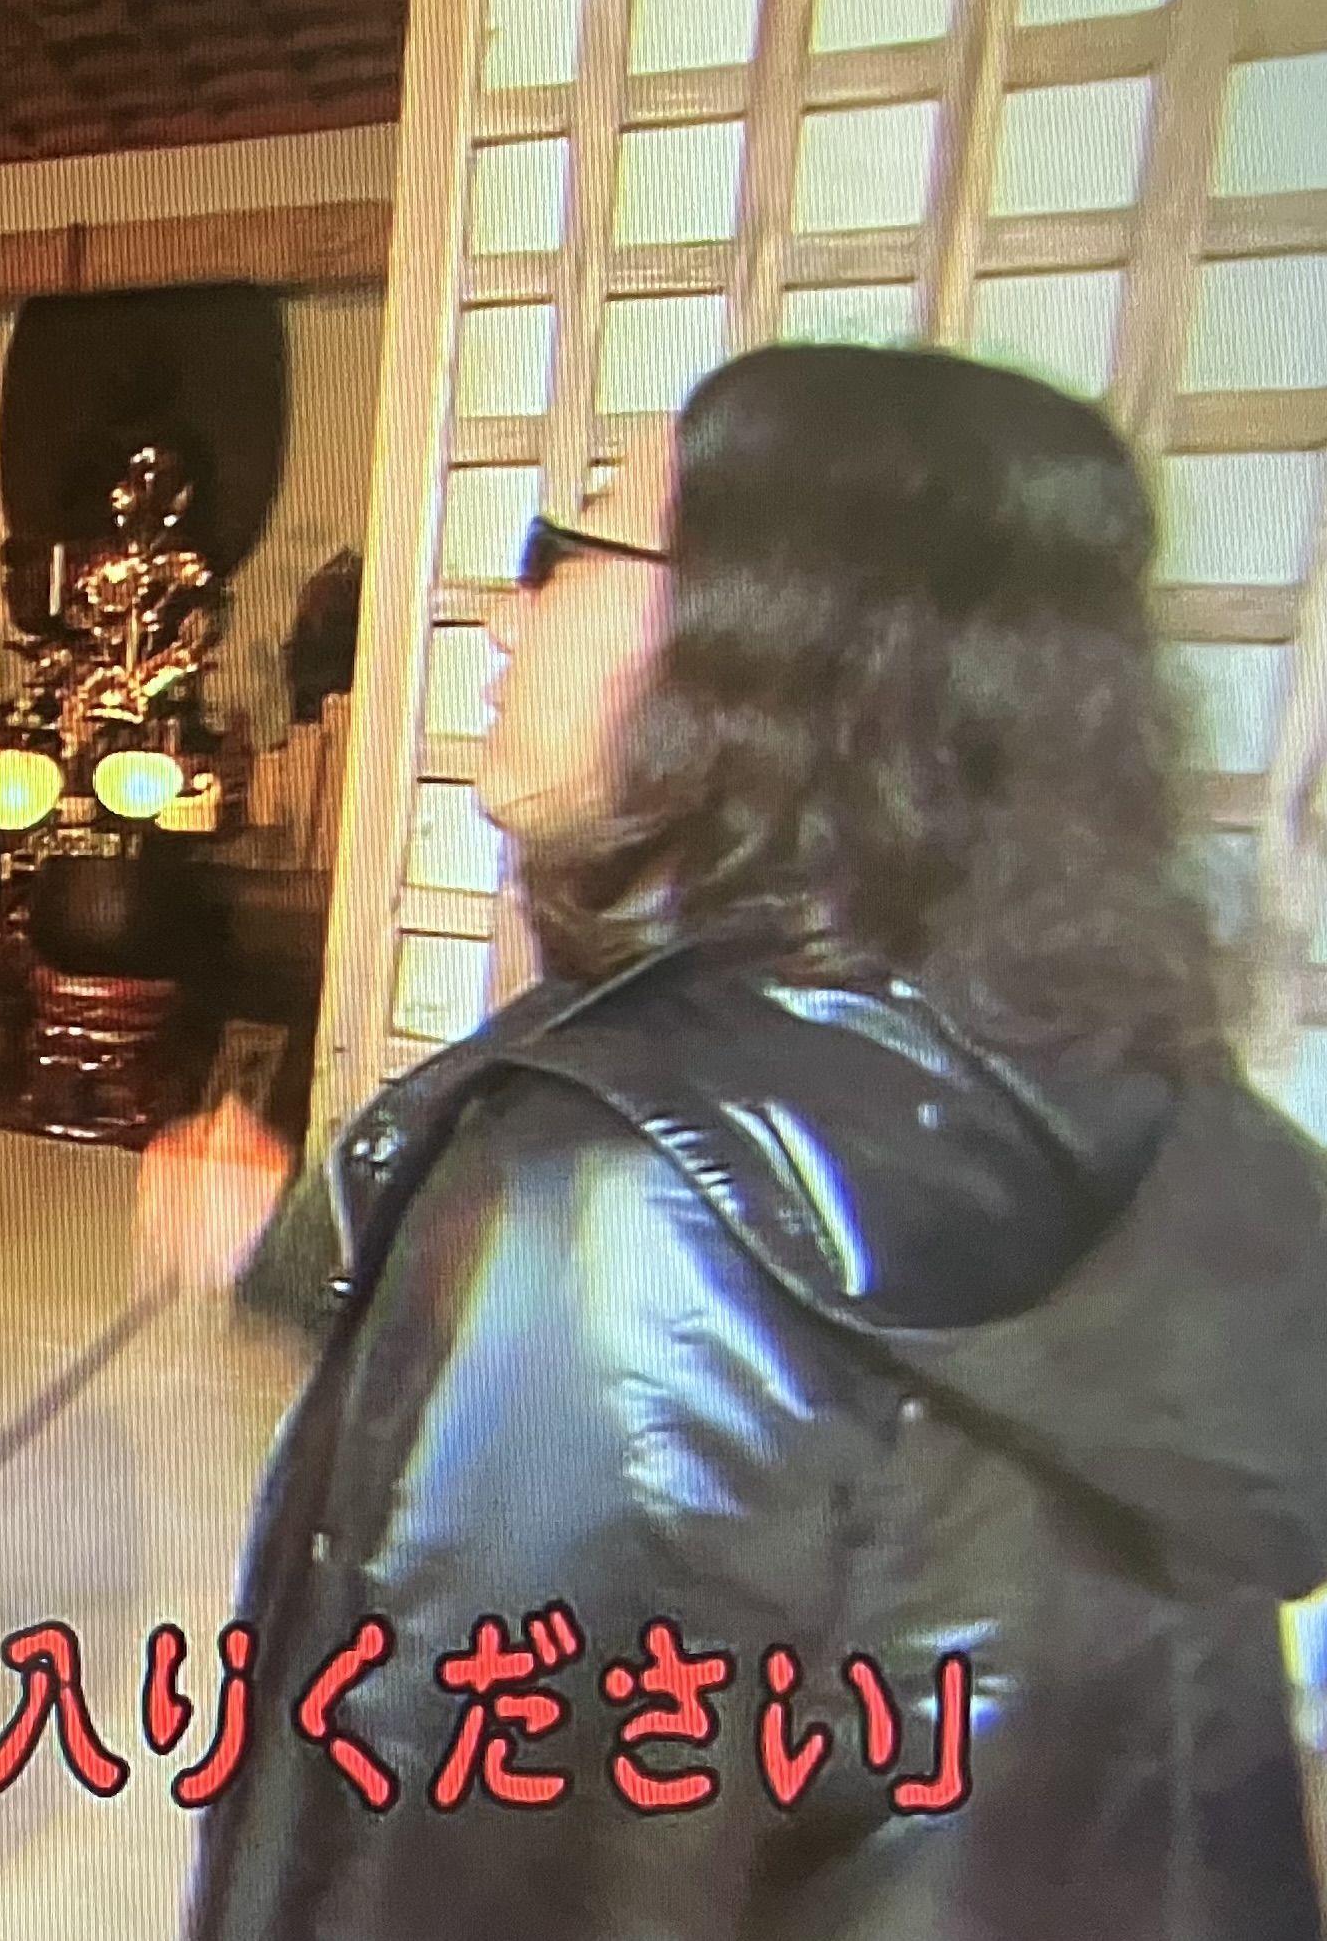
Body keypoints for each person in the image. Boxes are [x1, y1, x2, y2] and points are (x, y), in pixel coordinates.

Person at [172, 344, 1327, 1941]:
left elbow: (466, 1844)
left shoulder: (632, 1196)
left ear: (773, 641)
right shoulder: (1105, 1083)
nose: (502, 618)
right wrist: (317, 1254)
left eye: (564, 551)